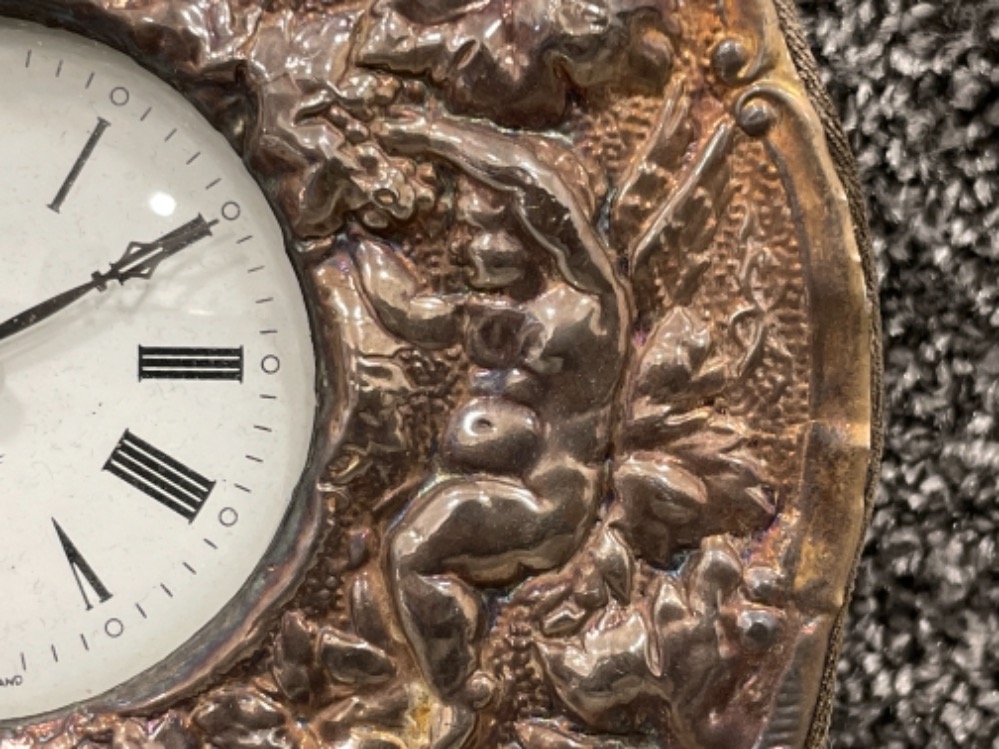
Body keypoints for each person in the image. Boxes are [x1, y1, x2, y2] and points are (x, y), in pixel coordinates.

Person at [350, 112, 629, 748]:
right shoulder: (491, 311)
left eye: (490, 233)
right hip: (501, 497)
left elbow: (536, 183)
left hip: (547, 504)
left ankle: (461, 694)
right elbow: (413, 314)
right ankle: (454, 667)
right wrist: (353, 244)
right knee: (411, 548)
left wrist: (431, 135)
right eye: (470, 234)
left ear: (534, 232)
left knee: (413, 551)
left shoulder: (586, 307)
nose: (472, 250)